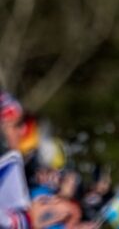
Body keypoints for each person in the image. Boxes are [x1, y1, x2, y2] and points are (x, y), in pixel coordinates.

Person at [1, 92, 81, 229]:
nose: (23, 131)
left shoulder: (36, 156)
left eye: (23, 123)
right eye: (15, 126)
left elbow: (72, 183)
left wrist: (67, 191)